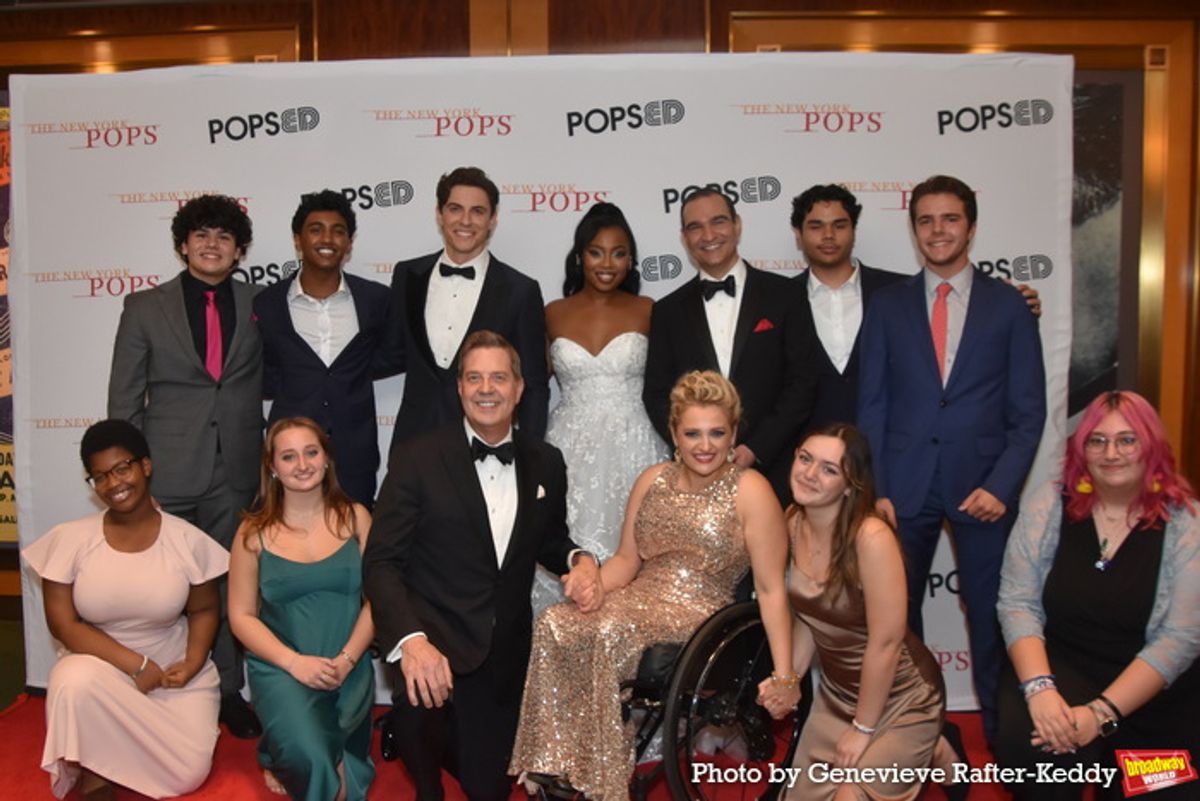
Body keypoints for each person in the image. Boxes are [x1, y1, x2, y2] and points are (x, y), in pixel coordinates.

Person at [511, 370, 797, 801]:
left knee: (609, 632)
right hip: (640, 594)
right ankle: (554, 764)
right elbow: (626, 561)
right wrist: (592, 586)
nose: (705, 445)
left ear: (734, 433)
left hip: (702, 610)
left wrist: (785, 673)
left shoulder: (750, 490)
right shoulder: (652, 479)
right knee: (556, 620)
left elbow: (772, 589)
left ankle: (600, 781)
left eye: (717, 433)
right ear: (674, 434)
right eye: (693, 433)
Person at [363, 330, 601, 801]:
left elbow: (549, 539)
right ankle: (421, 765)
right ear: (459, 388)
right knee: (425, 752)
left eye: (498, 377)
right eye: (474, 378)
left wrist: (581, 559)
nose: (486, 388)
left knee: (487, 790)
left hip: (501, 652)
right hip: (432, 638)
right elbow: (381, 562)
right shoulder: (416, 457)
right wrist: (412, 643)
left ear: (519, 387)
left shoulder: (547, 461)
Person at [857, 174, 1047, 740]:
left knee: (992, 620)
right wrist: (880, 489)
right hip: (903, 489)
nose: (937, 231)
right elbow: (873, 405)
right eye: (926, 220)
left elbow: (1028, 412)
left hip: (984, 489)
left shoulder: (1009, 306)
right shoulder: (887, 307)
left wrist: (1002, 485)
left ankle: (1005, 739)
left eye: (950, 219)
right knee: (897, 625)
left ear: (971, 226)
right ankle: (919, 739)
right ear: (913, 228)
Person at [106, 193, 263, 738]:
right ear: (182, 245)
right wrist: (128, 473)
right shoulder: (145, 307)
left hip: (236, 471)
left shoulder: (261, 303)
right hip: (166, 472)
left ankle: (226, 691)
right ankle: (148, 682)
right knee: (158, 586)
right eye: (201, 235)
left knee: (224, 587)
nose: (211, 244)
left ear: (239, 248)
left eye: (223, 236)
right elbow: (123, 400)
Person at [995, 391, 1200, 800]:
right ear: (1082, 450)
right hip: (1062, 671)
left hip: (1156, 696)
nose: (1111, 453)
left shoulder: (1188, 523)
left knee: (1161, 790)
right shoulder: (1048, 504)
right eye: (1097, 440)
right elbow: (1017, 603)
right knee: (1036, 759)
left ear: (1151, 447)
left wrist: (1101, 714)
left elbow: (1179, 639)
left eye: (1128, 440)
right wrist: (1040, 690)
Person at [22, 419, 228, 799]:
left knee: (187, 774)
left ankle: (103, 754)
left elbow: (204, 610)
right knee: (73, 677)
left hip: (172, 675)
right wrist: (136, 665)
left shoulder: (186, 539)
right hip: (103, 670)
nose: (113, 484)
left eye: (122, 468)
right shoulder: (70, 539)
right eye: (99, 476)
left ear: (145, 465)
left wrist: (194, 661)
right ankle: (95, 771)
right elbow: (65, 626)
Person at [763, 425, 954, 801]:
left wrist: (863, 728)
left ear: (851, 485)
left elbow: (886, 642)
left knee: (851, 794)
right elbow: (809, 616)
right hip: (837, 694)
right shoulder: (792, 521)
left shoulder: (871, 538)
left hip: (902, 696)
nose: (809, 474)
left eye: (829, 469)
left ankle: (924, 738)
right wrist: (789, 680)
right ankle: (936, 751)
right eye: (805, 459)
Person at [793, 183, 1041, 430]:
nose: (828, 235)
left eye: (839, 225)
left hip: (892, 448)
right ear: (798, 235)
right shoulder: (782, 299)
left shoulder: (898, 293)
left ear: (854, 230)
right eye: (816, 226)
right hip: (804, 449)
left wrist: (1013, 301)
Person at [228, 417, 376, 800]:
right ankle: (290, 751)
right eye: (288, 456)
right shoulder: (251, 532)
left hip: (347, 667)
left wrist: (346, 660)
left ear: (326, 458)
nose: (303, 464)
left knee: (331, 763)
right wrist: (294, 663)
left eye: (311, 452)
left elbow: (379, 601)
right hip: (282, 669)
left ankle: (280, 753)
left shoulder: (357, 518)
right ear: (272, 468)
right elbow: (241, 616)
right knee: (321, 768)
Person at [533, 201, 669, 613]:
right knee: (564, 555)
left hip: (637, 450)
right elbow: (534, 387)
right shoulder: (552, 314)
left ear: (631, 259)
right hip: (568, 452)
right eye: (596, 251)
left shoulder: (650, 311)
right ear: (579, 257)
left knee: (633, 565)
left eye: (619, 252)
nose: (607, 263)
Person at [643, 187, 818, 503]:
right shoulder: (667, 311)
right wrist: (698, 448)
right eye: (695, 227)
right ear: (684, 237)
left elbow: (802, 382)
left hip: (775, 471)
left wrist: (756, 449)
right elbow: (656, 393)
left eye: (719, 221)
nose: (708, 234)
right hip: (697, 477)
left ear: (737, 225)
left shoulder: (785, 295)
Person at [385, 166, 549, 456]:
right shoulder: (407, 275)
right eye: (455, 209)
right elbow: (390, 353)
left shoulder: (521, 291)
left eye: (477, 211)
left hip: (484, 446)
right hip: (412, 445)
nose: (465, 220)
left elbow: (534, 385)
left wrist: (529, 457)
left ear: (492, 219)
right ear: (439, 214)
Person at [254, 190, 403, 508]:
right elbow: (261, 369)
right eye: (316, 229)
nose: (327, 238)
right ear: (298, 239)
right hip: (288, 455)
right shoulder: (267, 303)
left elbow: (393, 355)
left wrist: (351, 376)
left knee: (354, 545)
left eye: (338, 231)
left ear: (349, 243)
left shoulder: (376, 299)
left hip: (355, 455)